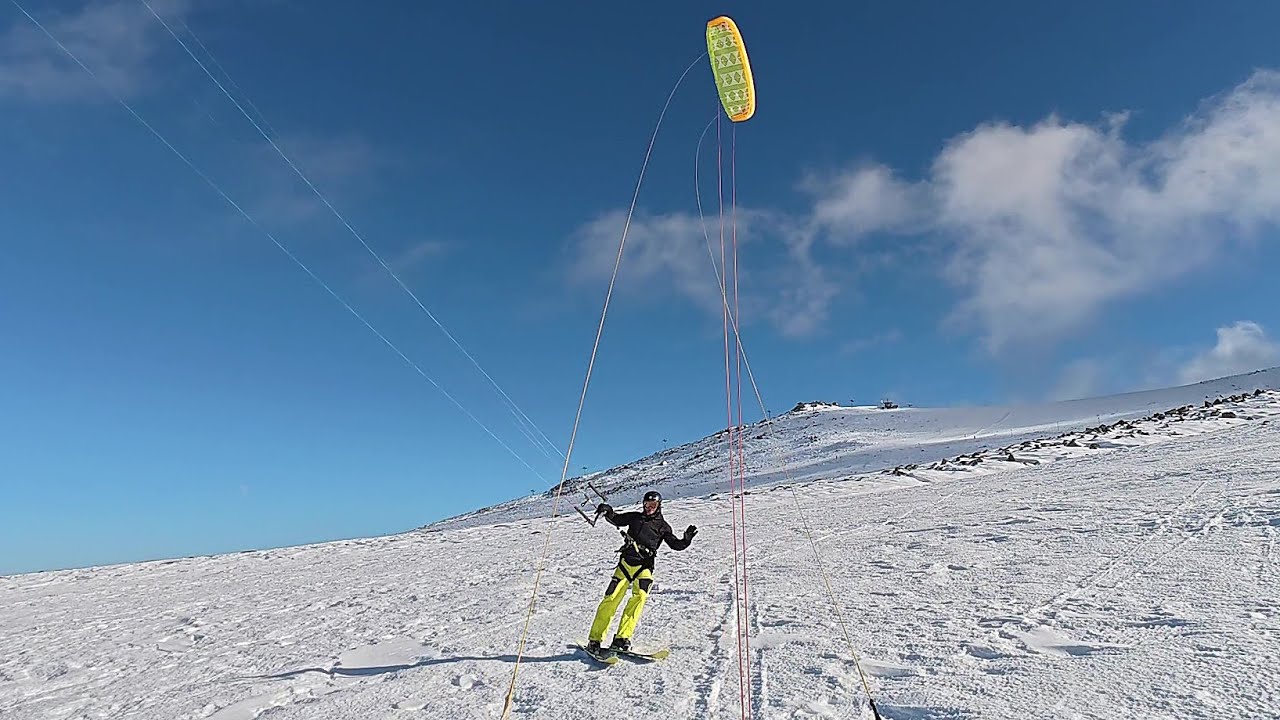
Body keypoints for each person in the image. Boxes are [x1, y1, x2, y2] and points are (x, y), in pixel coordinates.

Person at [586, 490, 697, 653]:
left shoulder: (663, 527)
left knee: (639, 598)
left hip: (644, 567)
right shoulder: (635, 518)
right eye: (647, 504)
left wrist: (686, 540)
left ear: (659, 506)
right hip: (625, 564)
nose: (649, 508)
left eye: (653, 505)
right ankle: (594, 640)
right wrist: (607, 510)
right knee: (611, 599)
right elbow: (616, 519)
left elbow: (675, 545)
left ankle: (621, 638)